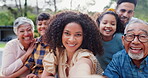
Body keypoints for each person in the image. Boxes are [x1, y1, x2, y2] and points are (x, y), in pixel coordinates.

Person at [41, 11, 104, 78]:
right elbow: (45, 76)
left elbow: (81, 68)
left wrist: (83, 75)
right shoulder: (57, 52)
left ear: (85, 37)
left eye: (78, 35)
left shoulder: (85, 55)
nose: (71, 39)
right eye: (67, 33)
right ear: (60, 34)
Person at [4, 12, 51, 78]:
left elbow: (53, 69)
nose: (42, 26)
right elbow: (28, 64)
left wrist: (38, 76)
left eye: (46, 24)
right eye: (40, 24)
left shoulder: (55, 45)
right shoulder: (36, 44)